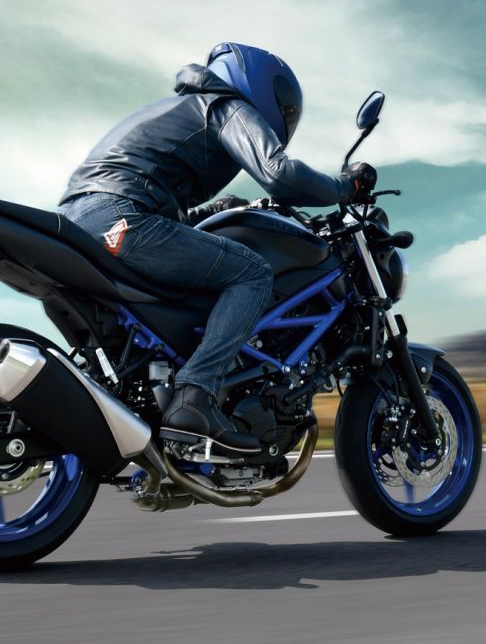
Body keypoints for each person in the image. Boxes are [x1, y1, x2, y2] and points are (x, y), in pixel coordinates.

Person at [59, 42, 376, 453]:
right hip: (120, 217)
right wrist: (346, 186)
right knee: (253, 273)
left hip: (85, 218)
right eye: (285, 108)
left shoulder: (180, 110)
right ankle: (195, 397)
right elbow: (279, 174)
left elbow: (150, 189)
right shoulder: (225, 105)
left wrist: (215, 209)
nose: (285, 119)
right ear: (261, 83)